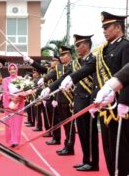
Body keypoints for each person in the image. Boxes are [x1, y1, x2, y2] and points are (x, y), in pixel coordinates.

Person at [60, 11, 129, 176]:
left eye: (107, 27)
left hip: (119, 107)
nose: (104, 31)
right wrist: (72, 78)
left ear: (118, 27)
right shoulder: (105, 49)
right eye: (103, 27)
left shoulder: (125, 46)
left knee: (121, 148)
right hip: (105, 106)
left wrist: (125, 101)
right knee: (108, 147)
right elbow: (93, 74)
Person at [42, 35, 99, 171]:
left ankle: (92, 162)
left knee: (90, 134)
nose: (77, 48)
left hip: (89, 102)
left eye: (78, 45)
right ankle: (86, 160)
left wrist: (69, 79)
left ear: (86, 45)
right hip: (78, 102)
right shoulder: (76, 63)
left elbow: (82, 75)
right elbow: (62, 77)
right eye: (76, 45)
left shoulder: (94, 60)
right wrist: (49, 88)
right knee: (83, 134)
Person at [2, 63, 25, 147]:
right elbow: (5, 91)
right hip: (10, 104)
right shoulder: (5, 80)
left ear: (16, 70)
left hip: (19, 104)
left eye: (14, 69)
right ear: (8, 70)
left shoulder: (21, 79)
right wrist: (12, 98)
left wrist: (20, 97)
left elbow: (25, 90)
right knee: (10, 122)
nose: (12, 70)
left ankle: (16, 141)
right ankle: (11, 140)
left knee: (17, 123)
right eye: (10, 69)